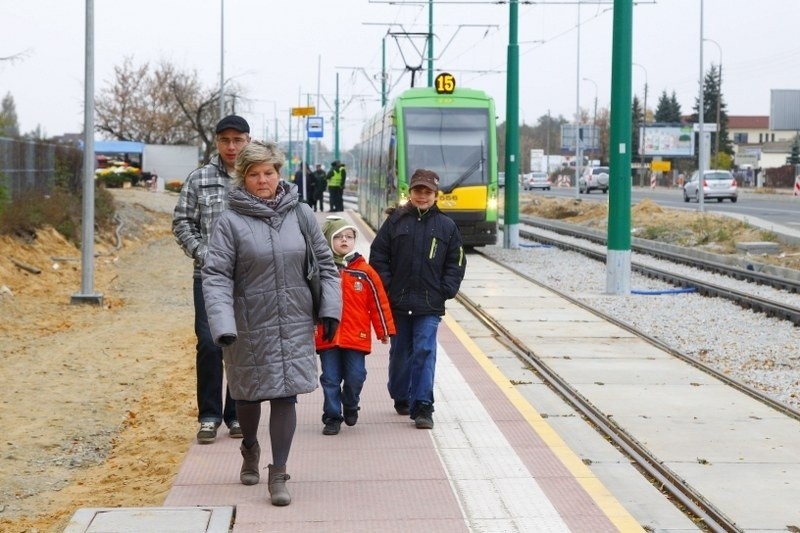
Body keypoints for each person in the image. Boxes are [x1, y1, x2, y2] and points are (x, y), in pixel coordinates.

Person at [202, 141, 342, 506]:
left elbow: (326, 265)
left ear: (280, 173)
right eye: (254, 174)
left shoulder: (302, 214)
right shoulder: (230, 220)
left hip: (294, 319)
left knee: (285, 394)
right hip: (247, 324)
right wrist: (222, 324)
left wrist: (330, 310)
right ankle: (250, 447)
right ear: (242, 177)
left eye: (269, 172)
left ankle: (278, 472)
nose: (263, 180)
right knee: (247, 396)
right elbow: (215, 275)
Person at [173, 114, 251, 445]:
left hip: (249, 278)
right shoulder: (199, 178)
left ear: (248, 140)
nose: (231, 146)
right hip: (207, 277)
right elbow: (182, 223)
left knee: (241, 346)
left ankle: (236, 414)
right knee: (209, 343)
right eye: (225, 140)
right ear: (217, 142)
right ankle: (208, 416)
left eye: (238, 140)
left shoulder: (258, 177)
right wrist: (203, 252)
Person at [369, 169, 466, 430]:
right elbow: (378, 256)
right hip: (398, 301)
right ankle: (400, 394)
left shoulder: (446, 226)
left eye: (427, 192)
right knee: (400, 352)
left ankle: (423, 405)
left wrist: (446, 289)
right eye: (417, 191)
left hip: (429, 304)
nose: (422, 196)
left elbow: (456, 261)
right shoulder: (395, 222)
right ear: (409, 193)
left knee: (424, 349)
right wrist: (388, 287)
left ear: (436, 195)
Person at [314, 216, 396, 436]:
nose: (344, 241)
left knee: (356, 376)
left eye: (349, 237)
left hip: (356, 336)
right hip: (327, 335)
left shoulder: (365, 272)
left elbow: (378, 302)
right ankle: (332, 416)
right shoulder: (320, 271)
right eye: (338, 237)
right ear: (327, 241)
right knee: (330, 378)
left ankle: (350, 403)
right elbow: (309, 303)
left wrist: (384, 330)